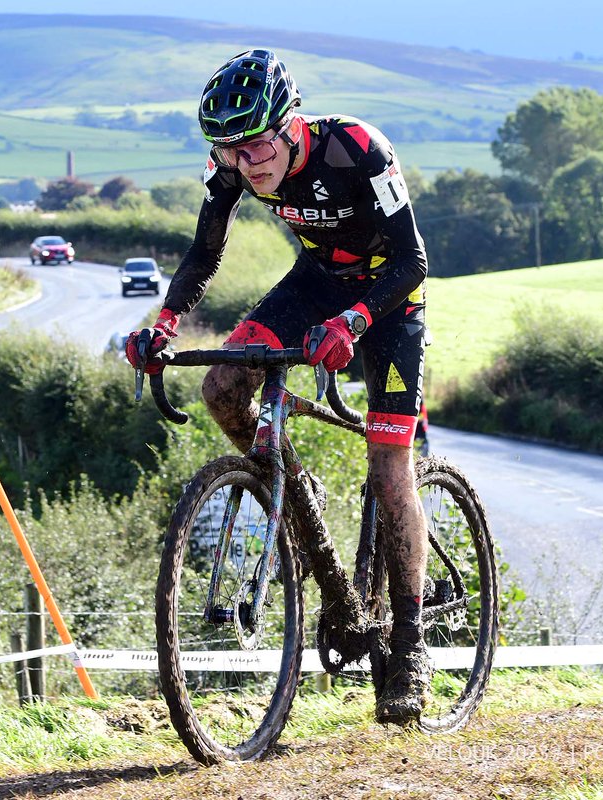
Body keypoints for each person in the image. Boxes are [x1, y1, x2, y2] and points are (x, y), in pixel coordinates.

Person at [126, 48, 431, 725]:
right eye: (230, 149)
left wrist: (355, 319)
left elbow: (412, 260)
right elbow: (205, 252)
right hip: (315, 287)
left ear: (290, 121)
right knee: (223, 388)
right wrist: (165, 323)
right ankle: (289, 482)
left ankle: (409, 649)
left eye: (257, 143)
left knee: (389, 468)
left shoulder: (357, 148)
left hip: (387, 303)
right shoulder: (231, 165)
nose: (247, 161)